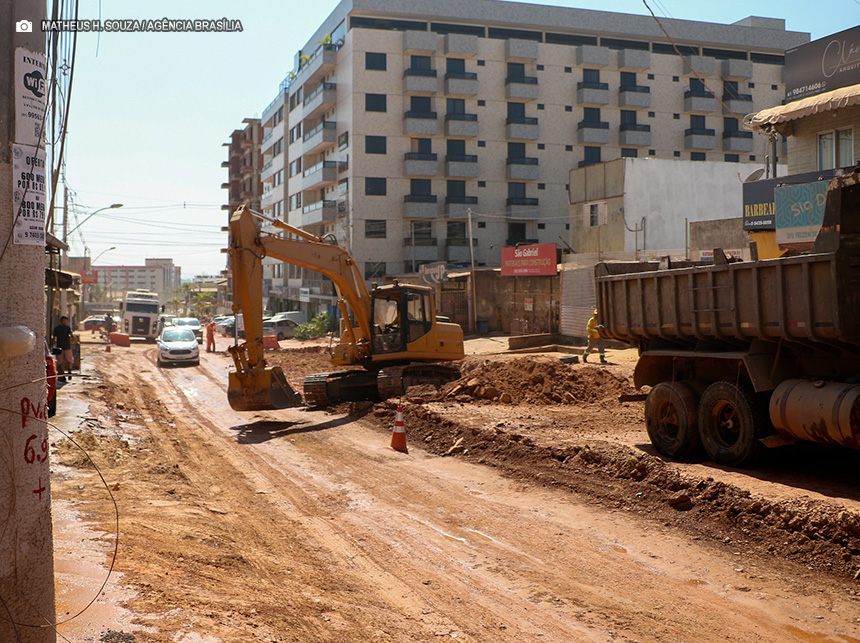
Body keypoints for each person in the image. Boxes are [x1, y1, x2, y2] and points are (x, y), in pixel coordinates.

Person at [51, 315, 78, 382]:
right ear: (64, 321)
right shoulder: (67, 328)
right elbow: (72, 336)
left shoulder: (56, 328)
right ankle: (69, 370)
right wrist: (77, 342)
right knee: (70, 360)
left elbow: (54, 338)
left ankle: (62, 375)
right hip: (67, 346)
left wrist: (52, 346)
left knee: (60, 362)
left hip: (59, 347)